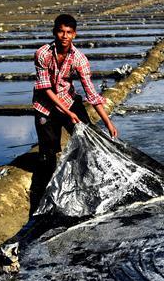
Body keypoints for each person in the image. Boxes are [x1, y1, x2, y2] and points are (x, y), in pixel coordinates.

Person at [32, 14, 118, 174]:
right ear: (54, 32)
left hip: (68, 99)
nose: (64, 36)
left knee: (88, 139)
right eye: (61, 31)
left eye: (69, 32)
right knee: (48, 153)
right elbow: (46, 88)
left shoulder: (79, 59)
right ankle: (48, 183)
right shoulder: (43, 54)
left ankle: (88, 176)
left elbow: (91, 93)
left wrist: (108, 123)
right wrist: (68, 113)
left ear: (74, 34)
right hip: (45, 105)